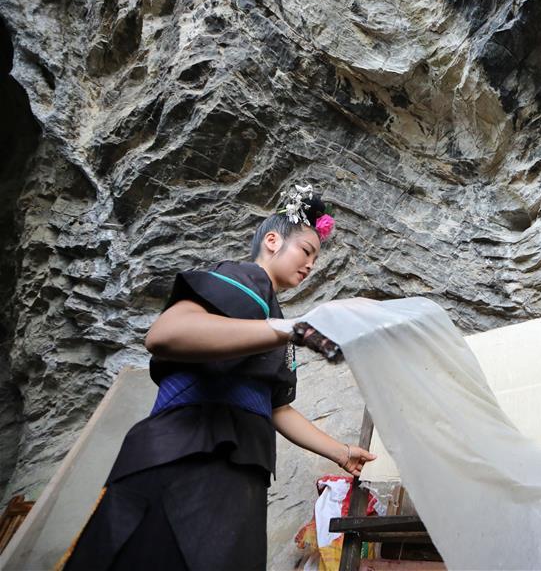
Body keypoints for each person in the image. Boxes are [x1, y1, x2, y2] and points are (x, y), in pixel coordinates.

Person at [60, 185, 375, 571]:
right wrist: (288, 328)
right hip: (190, 453)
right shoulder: (245, 279)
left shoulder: (272, 312)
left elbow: (276, 407)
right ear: (272, 241)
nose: (311, 265)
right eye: (306, 251)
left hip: (235, 463)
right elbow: (164, 335)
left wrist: (341, 453)